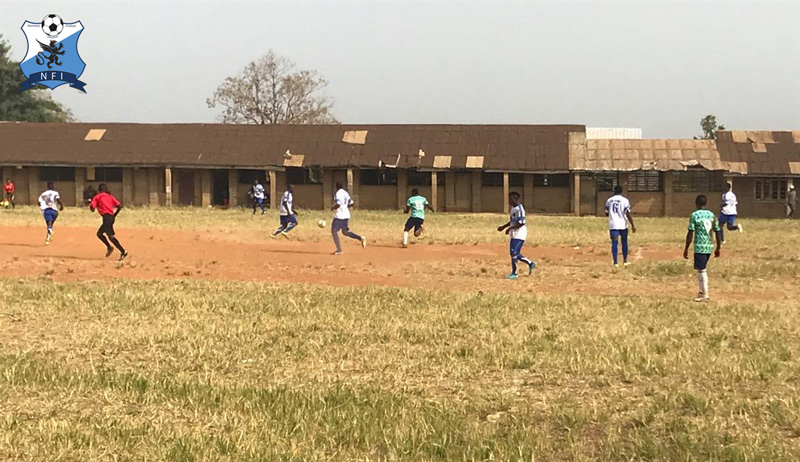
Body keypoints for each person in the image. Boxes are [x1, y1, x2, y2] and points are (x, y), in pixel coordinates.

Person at [683, 194, 721, 302]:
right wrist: (718, 247)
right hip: (709, 246)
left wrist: (686, 248)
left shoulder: (694, 215)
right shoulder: (711, 215)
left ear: (696, 203)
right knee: (701, 268)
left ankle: (705, 294)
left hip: (700, 246)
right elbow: (717, 231)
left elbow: (690, 232)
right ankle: (701, 292)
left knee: (702, 270)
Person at [496, 191, 535, 279]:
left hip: (520, 234)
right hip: (514, 234)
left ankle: (515, 273)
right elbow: (512, 221)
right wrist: (503, 227)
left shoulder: (520, 209)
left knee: (514, 253)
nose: (509, 201)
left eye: (510, 199)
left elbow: (521, 223)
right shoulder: (513, 209)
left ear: (515, 199)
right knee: (513, 253)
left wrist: (509, 228)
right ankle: (530, 263)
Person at [89, 183, 128, 261]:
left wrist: (91, 206)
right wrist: (114, 215)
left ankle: (123, 251)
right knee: (100, 233)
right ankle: (109, 247)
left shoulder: (97, 197)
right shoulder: (110, 197)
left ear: (99, 190)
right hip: (111, 217)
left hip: (106, 218)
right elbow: (119, 206)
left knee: (110, 236)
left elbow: (92, 208)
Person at [605, 185, 637, 268]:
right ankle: (625, 261)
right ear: (622, 191)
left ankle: (615, 262)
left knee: (614, 242)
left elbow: (607, 213)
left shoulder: (609, 200)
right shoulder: (625, 200)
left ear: (614, 191)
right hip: (623, 224)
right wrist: (632, 225)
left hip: (613, 224)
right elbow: (627, 213)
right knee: (624, 242)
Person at [330, 182, 366, 255]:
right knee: (345, 232)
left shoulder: (338, 193)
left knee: (334, 231)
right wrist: (345, 207)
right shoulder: (345, 193)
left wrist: (333, 208)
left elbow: (338, 203)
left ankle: (339, 249)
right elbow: (351, 203)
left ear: (336, 187)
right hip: (346, 215)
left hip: (339, 216)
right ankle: (360, 238)